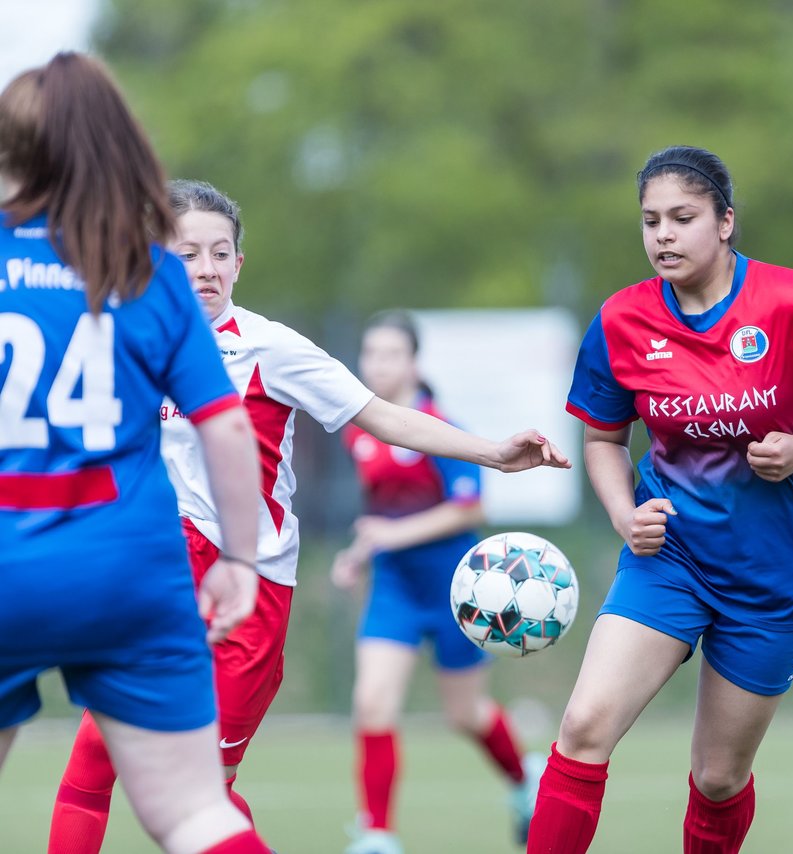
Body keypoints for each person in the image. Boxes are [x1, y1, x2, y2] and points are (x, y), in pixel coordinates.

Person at [48, 179, 571, 853]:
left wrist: (494, 452)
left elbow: (381, 416)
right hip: (156, 581)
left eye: (220, 252)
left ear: (240, 262)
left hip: (248, 592)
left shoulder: (270, 349)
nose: (205, 268)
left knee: (206, 791)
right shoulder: (122, 342)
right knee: (94, 762)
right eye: (186, 254)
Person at [527, 145, 793, 853]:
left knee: (715, 776)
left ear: (726, 221)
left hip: (776, 572)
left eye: (683, 217)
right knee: (585, 726)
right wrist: (624, 514)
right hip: (669, 557)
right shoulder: (622, 321)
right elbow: (602, 440)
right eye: (650, 221)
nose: (663, 236)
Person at [0, 53, 271, 853]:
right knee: (195, 814)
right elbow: (224, 425)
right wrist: (242, 562)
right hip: (127, 573)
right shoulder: (149, 270)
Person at [330, 310, 546, 854]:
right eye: (370, 353)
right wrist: (359, 553)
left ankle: (525, 780)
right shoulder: (360, 430)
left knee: (465, 714)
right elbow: (380, 516)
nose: (377, 365)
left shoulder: (438, 425)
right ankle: (377, 835)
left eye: (390, 354)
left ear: (414, 363)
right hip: (395, 591)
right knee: (372, 702)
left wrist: (389, 536)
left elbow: (469, 509)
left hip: (461, 594)